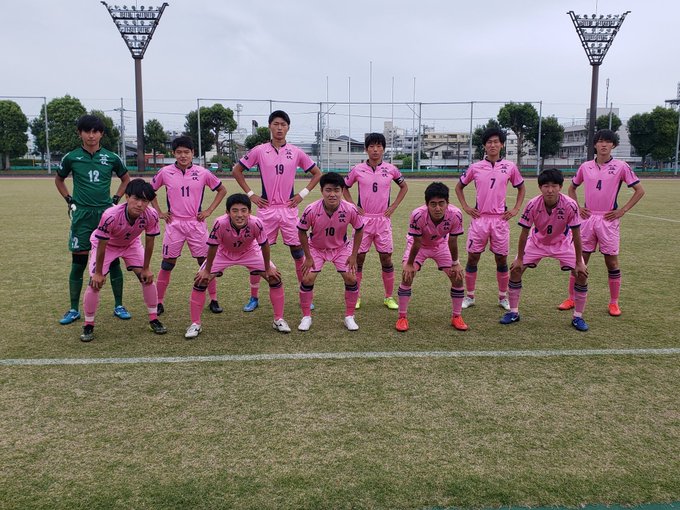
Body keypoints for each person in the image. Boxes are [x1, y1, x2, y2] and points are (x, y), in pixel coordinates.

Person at [232, 110, 322, 312]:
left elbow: (317, 174)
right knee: (256, 252)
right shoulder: (259, 150)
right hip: (267, 210)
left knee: (297, 252)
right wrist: (251, 195)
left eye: (283, 124)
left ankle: (305, 294)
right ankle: (254, 297)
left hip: (288, 210)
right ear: (270, 126)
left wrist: (302, 194)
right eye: (276, 124)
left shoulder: (296, 152)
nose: (279, 128)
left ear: (288, 127)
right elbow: (236, 170)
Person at [557, 129, 645, 317]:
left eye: (607, 142)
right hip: (587, 219)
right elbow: (572, 188)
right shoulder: (585, 166)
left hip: (608, 219)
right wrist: (578, 207)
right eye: (600, 141)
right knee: (580, 260)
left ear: (613, 145)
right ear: (595, 145)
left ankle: (614, 302)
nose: (603, 145)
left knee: (611, 262)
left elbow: (639, 190)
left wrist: (623, 210)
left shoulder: (621, 166)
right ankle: (571, 298)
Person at [55, 114, 131, 325]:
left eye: (95, 131)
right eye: (87, 131)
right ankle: (73, 309)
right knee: (78, 262)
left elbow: (126, 179)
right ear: (80, 133)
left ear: (101, 134)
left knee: (112, 260)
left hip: (105, 215)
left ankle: (119, 305)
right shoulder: (71, 157)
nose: (91, 135)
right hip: (82, 215)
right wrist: (69, 199)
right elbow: (59, 179)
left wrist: (115, 199)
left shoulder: (112, 157)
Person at [186, 193, 290, 339]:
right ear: (227, 212)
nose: (239, 215)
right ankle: (195, 324)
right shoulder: (220, 223)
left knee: (274, 278)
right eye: (235, 211)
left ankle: (278, 319)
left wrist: (268, 267)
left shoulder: (256, 223)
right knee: (201, 280)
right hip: (223, 253)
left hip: (250, 252)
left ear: (249, 212)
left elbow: (264, 245)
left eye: (243, 210)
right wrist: (207, 271)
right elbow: (213, 247)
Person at [500, 168, 589, 331]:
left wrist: (579, 262)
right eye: (546, 186)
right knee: (515, 270)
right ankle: (513, 312)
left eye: (554, 186)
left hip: (563, 243)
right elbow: (524, 232)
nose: (550, 190)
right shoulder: (533, 204)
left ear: (560, 187)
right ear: (540, 187)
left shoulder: (570, 204)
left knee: (582, 274)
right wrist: (519, 259)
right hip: (537, 242)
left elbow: (577, 234)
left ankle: (578, 317)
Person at [79, 179, 167, 342]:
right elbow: (102, 245)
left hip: (131, 244)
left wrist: (146, 268)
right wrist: (98, 273)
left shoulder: (151, 215)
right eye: (136, 199)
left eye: (145, 200)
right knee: (95, 283)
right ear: (127, 197)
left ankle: (154, 319)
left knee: (147, 279)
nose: (140, 204)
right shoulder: (110, 215)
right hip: (107, 245)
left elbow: (149, 241)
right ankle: (88, 325)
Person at [150, 135, 227, 316]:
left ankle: (213, 299)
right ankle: (159, 302)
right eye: (179, 152)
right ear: (173, 153)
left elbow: (222, 190)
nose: (183, 156)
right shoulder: (165, 172)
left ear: (193, 153)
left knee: (205, 263)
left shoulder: (203, 172)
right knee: (168, 263)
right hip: (174, 224)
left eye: (186, 152)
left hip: (196, 224)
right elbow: (149, 191)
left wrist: (208, 211)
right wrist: (159, 211)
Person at [455, 127, 525, 311]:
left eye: (496, 142)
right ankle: (469, 296)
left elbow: (521, 188)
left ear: (502, 144)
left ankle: (503, 297)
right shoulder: (475, 167)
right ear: (484, 145)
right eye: (489, 142)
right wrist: (466, 207)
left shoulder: (510, 167)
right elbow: (459, 187)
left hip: (500, 220)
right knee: (473, 258)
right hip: (480, 220)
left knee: (501, 260)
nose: (492, 145)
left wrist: (516, 208)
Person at [343, 133, 408, 310]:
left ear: (384, 149)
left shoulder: (391, 169)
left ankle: (388, 297)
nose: (375, 150)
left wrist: (393, 206)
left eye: (379, 146)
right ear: (366, 149)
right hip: (363, 220)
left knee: (386, 259)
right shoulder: (357, 169)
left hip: (383, 220)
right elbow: (344, 187)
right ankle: (356, 295)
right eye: (371, 146)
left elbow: (404, 186)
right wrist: (352, 206)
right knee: (359, 258)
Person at [396, 182, 468, 332]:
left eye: (441, 203)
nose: (437, 208)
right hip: (420, 246)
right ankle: (402, 317)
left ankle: (457, 316)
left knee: (458, 277)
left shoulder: (455, 214)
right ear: (427, 204)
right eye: (433, 204)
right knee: (407, 275)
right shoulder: (417, 215)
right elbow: (416, 242)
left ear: (448, 203)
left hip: (441, 245)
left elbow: (453, 241)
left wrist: (455, 263)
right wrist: (409, 264)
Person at [296, 172, 364, 331]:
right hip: (316, 248)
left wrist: (354, 255)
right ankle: (306, 317)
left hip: (340, 248)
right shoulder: (311, 209)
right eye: (328, 190)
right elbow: (301, 231)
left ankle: (349, 316)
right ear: (322, 191)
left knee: (351, 278)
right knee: (307, 279)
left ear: (342, 191)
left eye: (336, 190)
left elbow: (359, 229)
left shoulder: (350, 209)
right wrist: (307, 256)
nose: (332, 194)